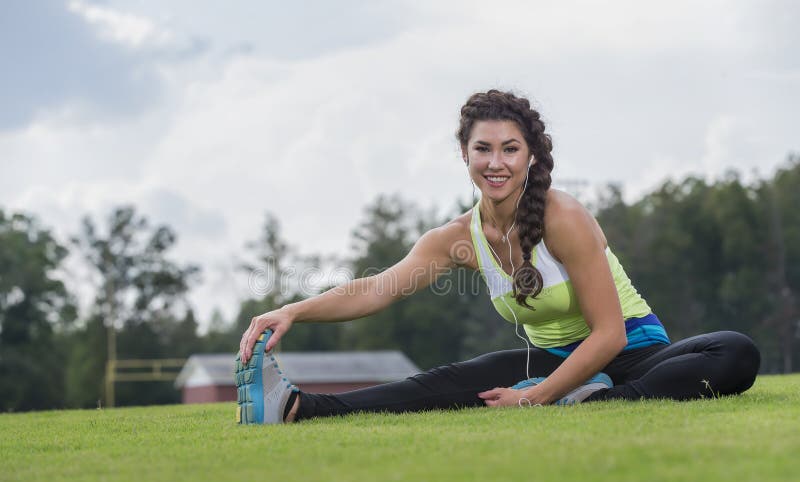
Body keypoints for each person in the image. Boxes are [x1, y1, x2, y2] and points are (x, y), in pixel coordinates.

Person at [236, 89, 761, 424]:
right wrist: (292, 311)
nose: (496, 162)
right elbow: (377, 288)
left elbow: (609, 334)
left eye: (509, 149)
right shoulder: (455, 238)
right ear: (463, 153)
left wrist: (536, 398)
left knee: (735, 352)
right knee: (440, 383)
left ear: (530, 155)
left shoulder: (564, 216)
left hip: (635, 359)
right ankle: (300, 407)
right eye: (483, 149)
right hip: (548, 361)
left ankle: (596, 400)